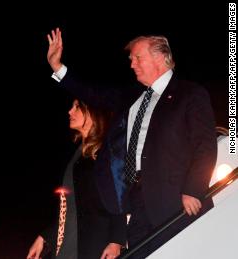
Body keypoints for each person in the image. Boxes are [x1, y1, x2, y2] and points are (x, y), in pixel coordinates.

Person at [46, 28, 217, 258]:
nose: (132, 64)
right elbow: (93, 93)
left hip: (175, 201)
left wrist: (194, 189)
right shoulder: (133, 96)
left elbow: (205, 145)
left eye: (138, 58)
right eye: (131, 59)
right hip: (136, 201)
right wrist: (58, 68)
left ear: (159, 57)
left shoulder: (189, 94)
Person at [27, 99, 126, 259]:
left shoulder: (107, 152)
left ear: (93, 113)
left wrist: (116, 240)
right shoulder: (77, 155)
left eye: (77, 107)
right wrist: (45, 237)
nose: (70, 111)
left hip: (96, 244)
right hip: (70, 244)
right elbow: (71, 206)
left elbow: (120, 197)